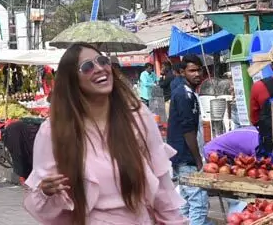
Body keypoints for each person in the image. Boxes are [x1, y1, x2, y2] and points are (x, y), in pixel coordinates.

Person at [25, 44, 183, 225]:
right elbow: (43, 209)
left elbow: (162, 188)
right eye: (87, 66)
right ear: (72, 80)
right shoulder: (53, 131)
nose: (100, 69)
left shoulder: (137, 118)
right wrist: (46, 192)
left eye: (102, 61)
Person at [169, 53, 207, 225]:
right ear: (183, 72)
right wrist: (198, 160)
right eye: (192, 71)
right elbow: (188, 130)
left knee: (185, 202)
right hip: (186, 157)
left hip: (180, 156)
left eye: (199, 70)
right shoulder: (184, 94)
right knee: (198, 203)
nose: (197, 74)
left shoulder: (187, 92)